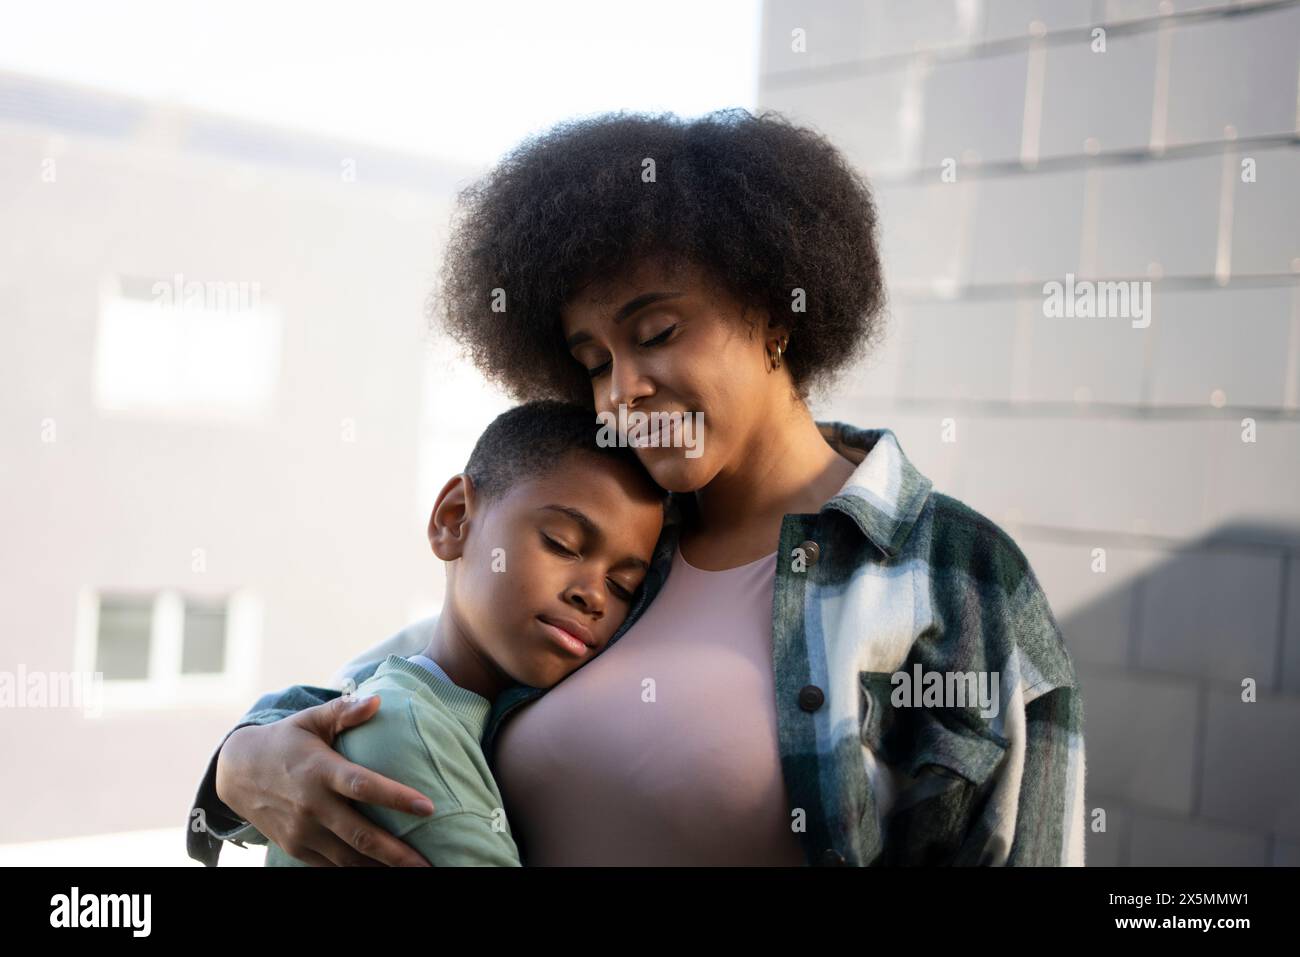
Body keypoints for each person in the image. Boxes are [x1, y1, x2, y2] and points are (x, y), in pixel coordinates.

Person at [188, 108, 1086, 867]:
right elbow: (405, 681)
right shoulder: (616, 542)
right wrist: (240, 760)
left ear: (775, 313)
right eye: (593, 361)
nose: (622, 391)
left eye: (655, 332)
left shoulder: (955, 576)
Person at [263, 400, 665, 866]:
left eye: (622, 586)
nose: (593, 596)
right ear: (454, 518)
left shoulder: (445, 711)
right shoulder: (398, 725)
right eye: (562, 544)